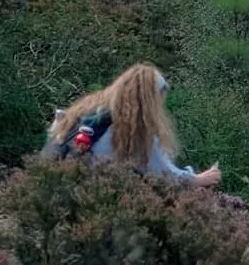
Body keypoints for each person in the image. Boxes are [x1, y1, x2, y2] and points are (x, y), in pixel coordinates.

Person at [45, 64, 222, 185]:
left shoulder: (85, 114)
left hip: (58, 197)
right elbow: (165, 175)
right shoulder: (135, 130)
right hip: (97, 208)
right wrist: (199, 179)